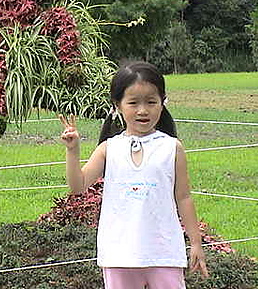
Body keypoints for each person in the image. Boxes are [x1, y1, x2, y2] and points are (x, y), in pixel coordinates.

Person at [59, 61, 208, 289]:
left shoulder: (172, 148)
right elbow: (78, 186)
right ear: (118, 105)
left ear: (162, 103)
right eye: (133, 103)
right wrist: (73, 150)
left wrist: (196, 243)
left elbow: (184, 197)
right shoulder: (109, 148)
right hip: (119, 253)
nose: (142, 110)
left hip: (164, 252)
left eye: (151, 102)